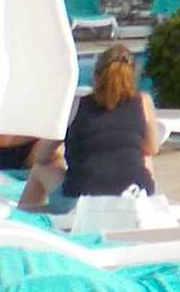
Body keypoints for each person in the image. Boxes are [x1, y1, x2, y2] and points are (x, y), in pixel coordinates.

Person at [19, 50, 161, 209]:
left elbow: (41, 156)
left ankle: (26, 215)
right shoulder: (144, 101)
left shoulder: (75, 105)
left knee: (39, 171)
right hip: (132, 200)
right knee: (146, 156)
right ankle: (148, 201)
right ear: (133, 78)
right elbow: (152, 148)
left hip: (82, 202)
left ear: (95, 77)